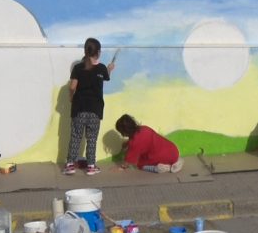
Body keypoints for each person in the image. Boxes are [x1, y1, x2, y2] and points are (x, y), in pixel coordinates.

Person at [63, 38, 115, 176]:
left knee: (75, 136)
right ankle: (91, 166)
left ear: (85, 51)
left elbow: (73, 86)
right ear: (98, 52)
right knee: (92, 138)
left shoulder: (78, 68)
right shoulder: (102, 68)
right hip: (95, 110)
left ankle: (70, 165)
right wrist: (110, 70)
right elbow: (106, 78)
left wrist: (70, 96)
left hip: (79, 108)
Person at [115, 114, 183, 173]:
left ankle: (160, 168)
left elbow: (128, 162)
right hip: (174, 150)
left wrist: (121, 168)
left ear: (124, 132)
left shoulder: (134, 143)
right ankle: (174, 161)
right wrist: (127, 143)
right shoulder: (144, 128)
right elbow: (139, 138)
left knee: (139, 164)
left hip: (165, 157)